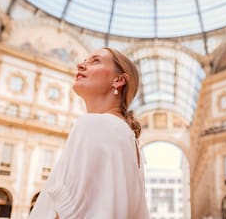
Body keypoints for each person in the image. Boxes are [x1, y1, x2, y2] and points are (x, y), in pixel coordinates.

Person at [29, 47, 149, 219]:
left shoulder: (93, 124)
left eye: (95, 61)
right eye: (84, 61)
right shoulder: (129, 139)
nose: (80, 65)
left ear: (119, 80)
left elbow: (68, 214)